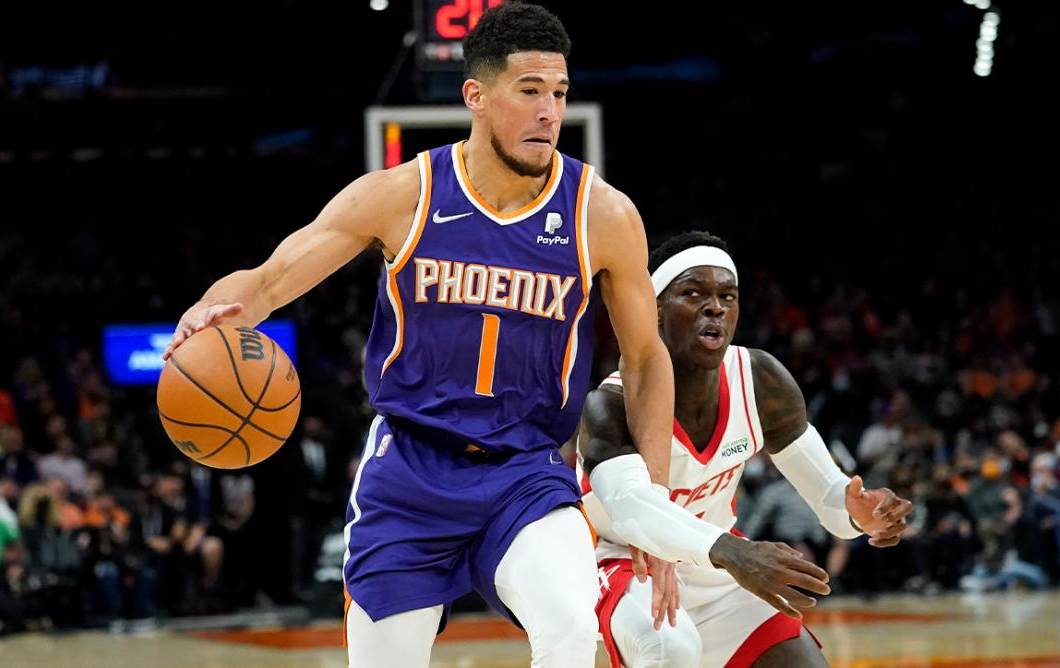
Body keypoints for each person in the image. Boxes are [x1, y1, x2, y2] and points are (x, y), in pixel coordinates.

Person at [161, 4, 675, 666]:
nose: (550, 111)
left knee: (573, 626)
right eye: (529, 91)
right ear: (476, 96)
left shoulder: (601, 214)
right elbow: (264, 285)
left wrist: (654, 507)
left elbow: (646, 360)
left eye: (559, 93)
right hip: (409, 473)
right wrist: (205, 311)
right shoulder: (402, 195)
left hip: (525, 473)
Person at [578, 231, 914, 667]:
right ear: (655, 309)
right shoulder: (610, 404)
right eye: (693, 293)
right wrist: (735, 553)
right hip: (627, 565)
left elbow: (830, 499)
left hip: (719, 568)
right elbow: (632, 510)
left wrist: (859, 513)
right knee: (672, 649)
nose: (714, 306)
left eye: (727, 295)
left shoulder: (760, 379)